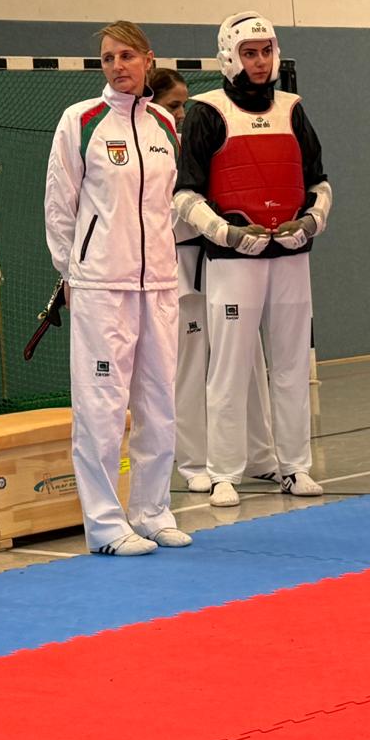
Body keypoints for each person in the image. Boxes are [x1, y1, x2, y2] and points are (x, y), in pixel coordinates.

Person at [173, 12, 330, 509]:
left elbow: (319, 183)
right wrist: (228, 233)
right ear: (229, 56)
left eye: (266, 51)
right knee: (230, 367)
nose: (260, 62)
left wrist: (311, 222)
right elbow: (185, 195)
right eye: (249, 53)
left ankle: (295, 466)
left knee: (292, 364)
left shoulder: (293, 109)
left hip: (291, 257)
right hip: (232, 261)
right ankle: (223, 473)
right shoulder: (207, 111)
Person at [44, 23, 189, 555]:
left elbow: (166, 206)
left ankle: (152, 511)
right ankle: (105, 524)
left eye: (126, 56)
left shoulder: (164, 126)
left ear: (149, 60)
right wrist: (74, 272)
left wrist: (166, 266)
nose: (117, 66)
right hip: (102, 287)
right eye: (108, 58)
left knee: (160, 403)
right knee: (102, 407)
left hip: (160, 286)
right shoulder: (80, 121)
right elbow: (59, 204)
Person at [149, 68, 277, 495]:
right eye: (173, 105)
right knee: (190, 365)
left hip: (226, 258)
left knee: (248, 354)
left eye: (184, 105)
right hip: (182, 263)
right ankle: (193, 461)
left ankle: (260, 454)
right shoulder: (152, 150)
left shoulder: (198, 140)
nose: (181, 113)